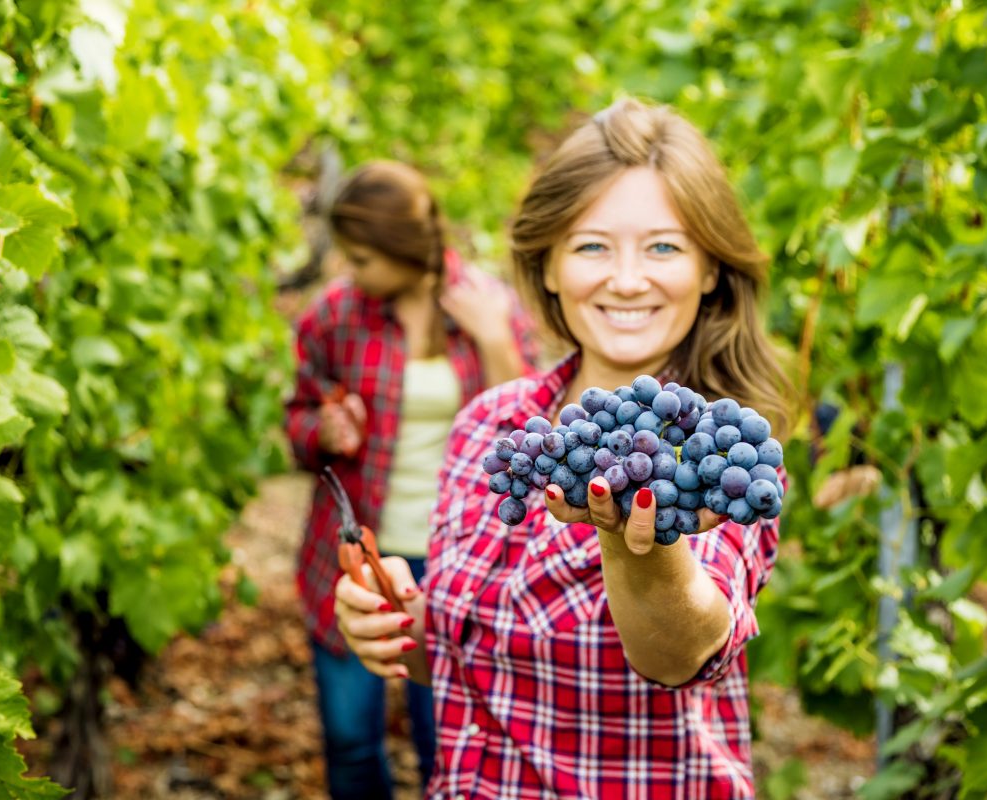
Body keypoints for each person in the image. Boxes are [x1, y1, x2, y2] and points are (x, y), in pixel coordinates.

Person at [334, 98, 793, 799]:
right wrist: (397, 626)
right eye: (591, 246)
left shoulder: (719, 453)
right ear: (547, 266)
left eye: (664, 247)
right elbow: (475, 659)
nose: (628, 278)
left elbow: (681, 654)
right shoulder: (492, 425)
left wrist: (644, 551)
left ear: (710, 270)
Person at [284, 160, 540, 800]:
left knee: (447, 741)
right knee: (349, 738)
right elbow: (297, 421)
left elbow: (531, 433)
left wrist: (493, 341)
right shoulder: (338, 315)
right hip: (354, 557)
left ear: (402, 248)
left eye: (363, 258)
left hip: (459, 558)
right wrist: (327, 429)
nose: (351, 271)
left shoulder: (487, 306)